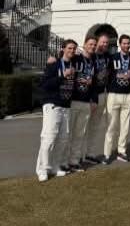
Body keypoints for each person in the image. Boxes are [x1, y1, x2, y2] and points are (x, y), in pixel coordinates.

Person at [35, 39, 78, 182]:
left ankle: (55, 166)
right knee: (49, 138)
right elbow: (44, 84)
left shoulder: (73, 64)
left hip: (66, 105)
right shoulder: (54, 64)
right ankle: (43, 169)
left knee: (63, 139)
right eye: (69, 48)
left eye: (74, 49)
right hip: (52, 105)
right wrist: (62, 76)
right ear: (63, 49)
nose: (71, 51)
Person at [102, 34, 130, 164]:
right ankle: (107, 154)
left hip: (127, 95)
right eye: (124, 43)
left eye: (128, 43)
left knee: (125, 126)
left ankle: (121, 151)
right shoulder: (112, 58)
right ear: (119, 44)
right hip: (113, 95)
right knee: (111, 126)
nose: (126, 46)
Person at [68, 36, 97, 171]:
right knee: (68, 133)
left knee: (80, 134)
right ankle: (63, 161)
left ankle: (74, 161)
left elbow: (94, 83)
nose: (92, 46)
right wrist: (53, 59)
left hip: (85, 101)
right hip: (73, 100)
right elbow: (64, 58)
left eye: (94, 45)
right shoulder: (76, 58)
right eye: (90, 44)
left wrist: (93, 99)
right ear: (84, 44)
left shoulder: (92, 62)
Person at [84, 34, 111, 164]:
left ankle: (90, 153)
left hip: (102, 94)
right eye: (102, 42)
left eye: (106, 43)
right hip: (89, 96)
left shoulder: (107, 57)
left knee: (95, 127)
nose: (104, 45)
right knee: (83, 127)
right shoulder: (90, 57)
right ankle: (76, 155)